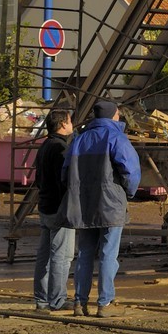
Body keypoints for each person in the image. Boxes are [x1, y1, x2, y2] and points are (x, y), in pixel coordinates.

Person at [63, 99, 140, 318]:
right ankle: (105, 303)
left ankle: (79, 302)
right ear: (114, 115)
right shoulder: (117, 138)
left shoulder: (79, 139)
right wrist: (128, 194)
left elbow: (65, 171)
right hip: (111, 204)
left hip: (83, 203)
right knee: (108, 254)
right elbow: (131, 172)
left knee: (85, 253)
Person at [31, 108, 74, 312]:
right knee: (62, 256)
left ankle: (41, 299)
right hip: (59, 208)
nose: (72, 124)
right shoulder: (61, 148)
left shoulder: (45, 145)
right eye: (70, 121)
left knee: (45, 254)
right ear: (63, 124)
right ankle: (57, 300)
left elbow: (38, 178)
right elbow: (64, 182)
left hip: (45, 205)